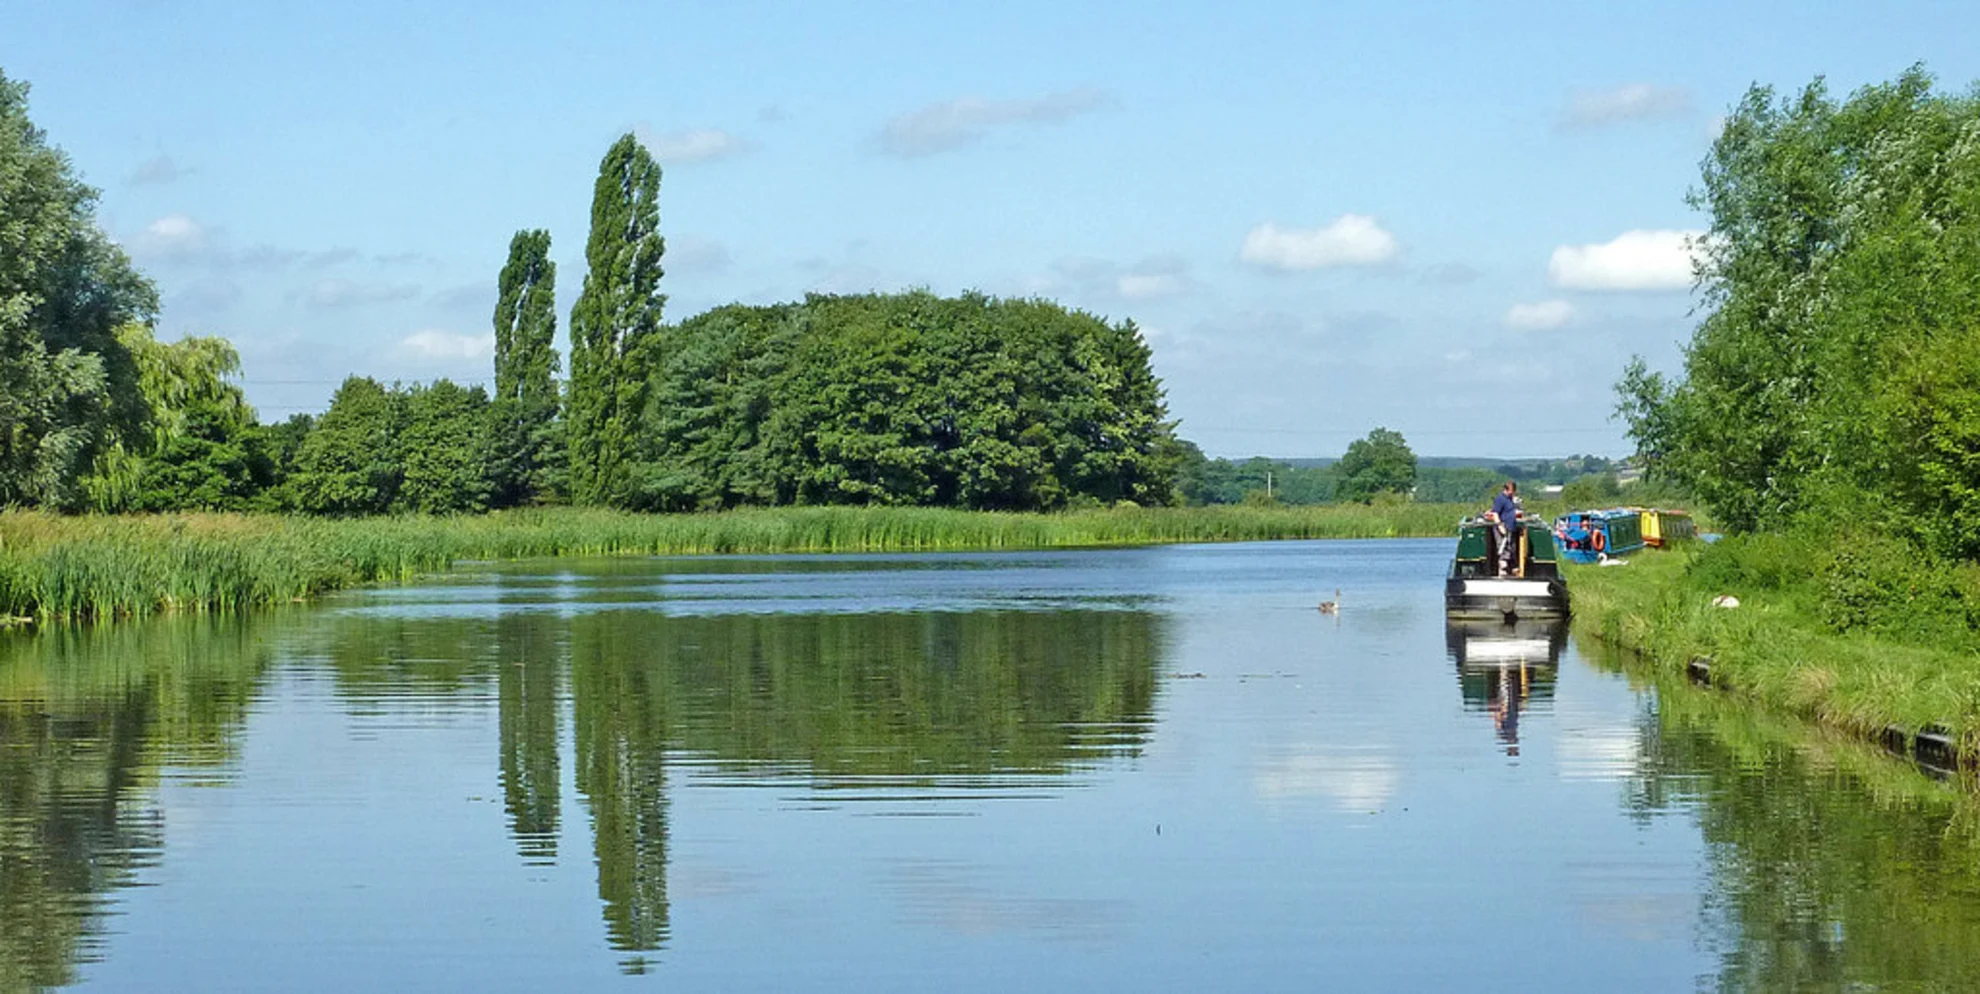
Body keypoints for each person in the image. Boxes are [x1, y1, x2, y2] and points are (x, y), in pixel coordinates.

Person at [1489, 481, 1521, 576]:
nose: (1513, 493)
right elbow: (1495, 513)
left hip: (1510, 527)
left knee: (1512, 547)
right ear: (1506, 490)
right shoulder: (1500, 499)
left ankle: (1512, 568)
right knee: (1503, 547)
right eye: (1512, 491)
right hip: (1502, 526)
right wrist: (1500, 526)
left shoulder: (1510, 498)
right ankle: (1502, 569)